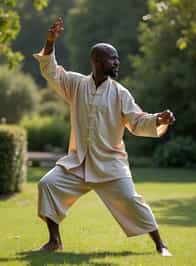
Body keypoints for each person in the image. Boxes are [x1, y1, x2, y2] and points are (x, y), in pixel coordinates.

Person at [33, 18, 175, 256]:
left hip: (111, 165)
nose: (117, 62)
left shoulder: (120, 93)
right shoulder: (76, 84)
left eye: (117, 58)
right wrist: (49, 43)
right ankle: (54, 241)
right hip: (78, 163)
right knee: (47, 184)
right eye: (112, 58)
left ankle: (161, 245)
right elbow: (51, 71)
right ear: (96, 61)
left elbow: (137, 121)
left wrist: (158, 119)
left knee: (132, 201)